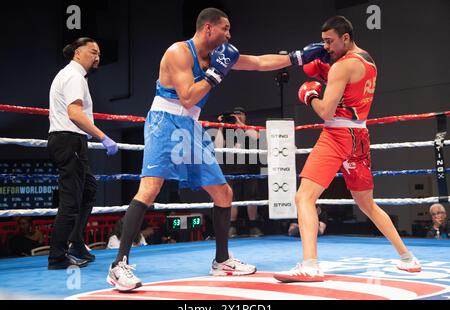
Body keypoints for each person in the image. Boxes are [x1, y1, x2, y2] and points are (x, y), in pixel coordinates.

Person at [106, 7, 329, 292]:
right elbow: (187, 97)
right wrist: (215, 74)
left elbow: (259, 63)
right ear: (208, 28)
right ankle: (118, 265)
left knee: (223, 193)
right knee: (149, 189)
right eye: (225, 28)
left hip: (191, 126)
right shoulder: (178, 53)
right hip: (164, 121)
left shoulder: (217, 57)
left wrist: (297, 57)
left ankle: (222, 260)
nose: (229, 34)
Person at [274, 16, 422, 283]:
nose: (326, 47)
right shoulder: (367, 60)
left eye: (330, 41)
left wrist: (310, 95)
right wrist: (326, 73)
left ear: (345, 37)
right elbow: (349, 92)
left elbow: (326, 111)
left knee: (304, 197)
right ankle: (408, 259)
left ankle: (310, 265)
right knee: (366, 203)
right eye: (323, 41)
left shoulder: (342, 67)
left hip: (337, 133)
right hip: (360, 135)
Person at [47, 37, 119, 270]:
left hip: (72, 140)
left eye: (99, 53)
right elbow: (75, 114)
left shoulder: (74, 76)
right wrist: (103, 136)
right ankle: (57, 256)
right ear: (77, 53)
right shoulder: (74, 76)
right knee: (70, 202)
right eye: (92, 52)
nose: (97, 57)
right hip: (68, 140)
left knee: (89, 189)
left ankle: (76, 242)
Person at [214, 106, 263, 237]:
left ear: (244, 116)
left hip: (250, 168)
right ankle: (233, 226)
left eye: (240, 115)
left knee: (252, 197)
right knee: (231, 198)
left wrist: (240, 124)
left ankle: (253, 226)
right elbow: (217, 146)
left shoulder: (248, 128)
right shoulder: (226, 129)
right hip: (231, 169)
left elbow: (256, 137)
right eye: (235, 115)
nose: (237, 117)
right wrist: (220, 125)